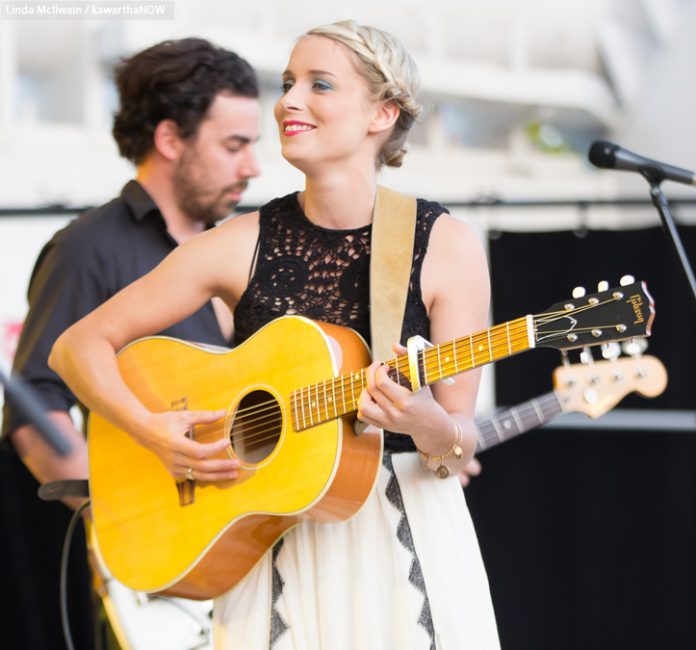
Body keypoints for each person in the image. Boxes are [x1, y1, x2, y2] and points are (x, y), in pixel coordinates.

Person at [50, 21, 499, 649]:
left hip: (402, 540)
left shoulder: (446, 245)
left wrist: (425, 422)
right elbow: (76, 346)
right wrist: (153, 432)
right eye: (287, 84)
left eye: (319, 84)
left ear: (382, 113)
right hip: (270, 542)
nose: (288, 101)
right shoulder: (238, 242)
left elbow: (459, 447)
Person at [1, 37, 260, 649]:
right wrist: (126, 526)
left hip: (245, 550)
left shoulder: (237, 249)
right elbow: (37, 411)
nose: (252, 167)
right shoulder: (87, 248)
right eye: (234, 145)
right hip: (158, 570)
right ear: (170, 140)